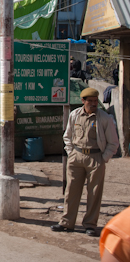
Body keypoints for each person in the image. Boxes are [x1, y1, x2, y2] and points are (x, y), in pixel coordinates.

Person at [51, 87, 119, 237]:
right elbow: (67, 136)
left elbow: (113, 142)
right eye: (90, 101)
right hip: (77, 157)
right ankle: (67, 222)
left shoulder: (104, 118)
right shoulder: (74, 115)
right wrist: (71, 152)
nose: (93, 104)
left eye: (95, 101)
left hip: (96, 158)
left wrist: (104, 158)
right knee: (71, 191)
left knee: (94, 193)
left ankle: (90, 224)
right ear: (83, 101)